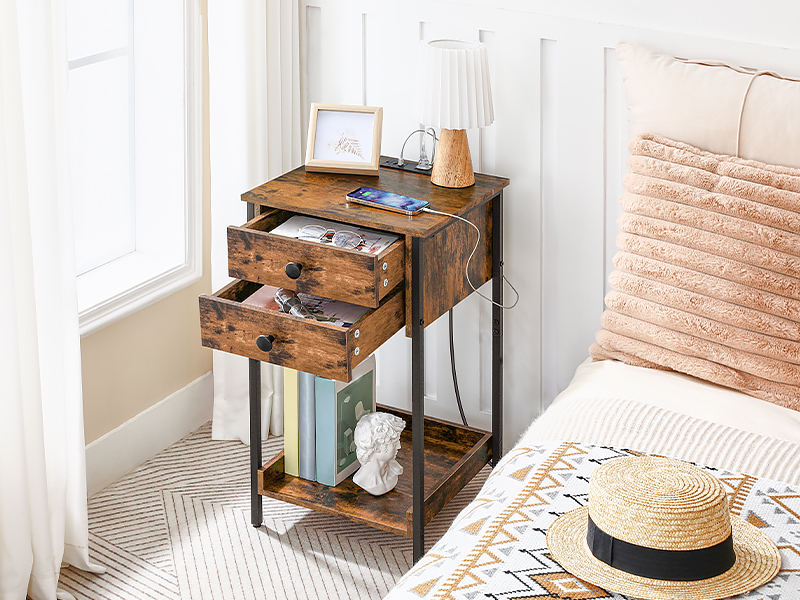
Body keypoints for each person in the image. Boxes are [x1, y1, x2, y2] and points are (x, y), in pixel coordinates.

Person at [352, 412, 406, 495]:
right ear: (377, 447)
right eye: (395, 443)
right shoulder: (361, 480)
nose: (399, 446)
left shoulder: (393, 472)